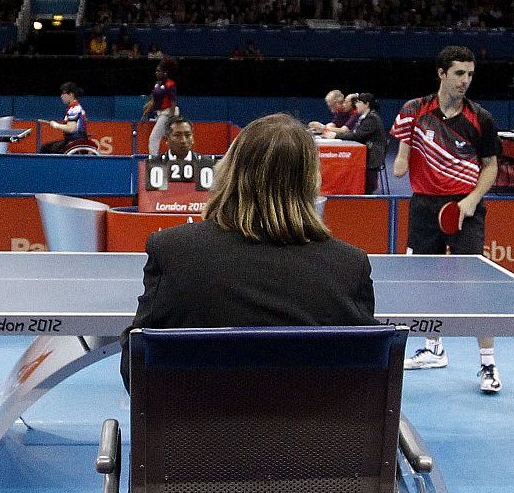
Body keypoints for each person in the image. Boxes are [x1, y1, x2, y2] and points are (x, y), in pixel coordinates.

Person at [121, 113, 376, 388]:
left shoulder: (172, 251)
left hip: (199, 430)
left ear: (229, 172)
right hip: (307, 430)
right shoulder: (350, 266)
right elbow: (366, 379)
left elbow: (135, 371)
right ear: (309, 181)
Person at [392, 45, 503, 392]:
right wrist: (401, 162)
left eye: (470, 74)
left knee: (474, 286)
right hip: (425, 207)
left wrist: (471, 200)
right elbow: (403, 152)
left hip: (464, 209)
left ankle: (488, 366)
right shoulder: (414, 109)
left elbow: (491, 167)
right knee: (423, 282)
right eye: (459, 73)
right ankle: (433, 347)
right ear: (441, 73)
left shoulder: (480, 118)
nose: (465, 81)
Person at [334, 92, 388, 194]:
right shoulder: (364, 117)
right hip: (366, 153)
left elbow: (356, 136)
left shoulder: (372, 118)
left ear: (366, 104)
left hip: (372, 156)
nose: (356, 105)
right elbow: (355, 133)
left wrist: (335, 135)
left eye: (358, 102)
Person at [139, 58, 179, 157]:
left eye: (158, 71)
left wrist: (171, 119)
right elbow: (153, 101)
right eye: (156, 71)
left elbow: (173, 103)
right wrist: (145, 114)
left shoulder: (170, 85)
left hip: (169, 113)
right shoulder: (157, 85)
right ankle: (175, 156)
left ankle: (153, 159)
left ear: (165, 73)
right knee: (169, 138)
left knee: (154, 137)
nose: (156, 73)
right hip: (160, 113)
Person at [40, 81, 88, 154]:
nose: (61, 96)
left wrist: (56, 125)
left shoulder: (74, 109)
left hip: (74, 143)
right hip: (73, 141)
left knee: (45, 149)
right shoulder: (75, 108)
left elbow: (71, 128)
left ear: (71, 95)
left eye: (63, 93)